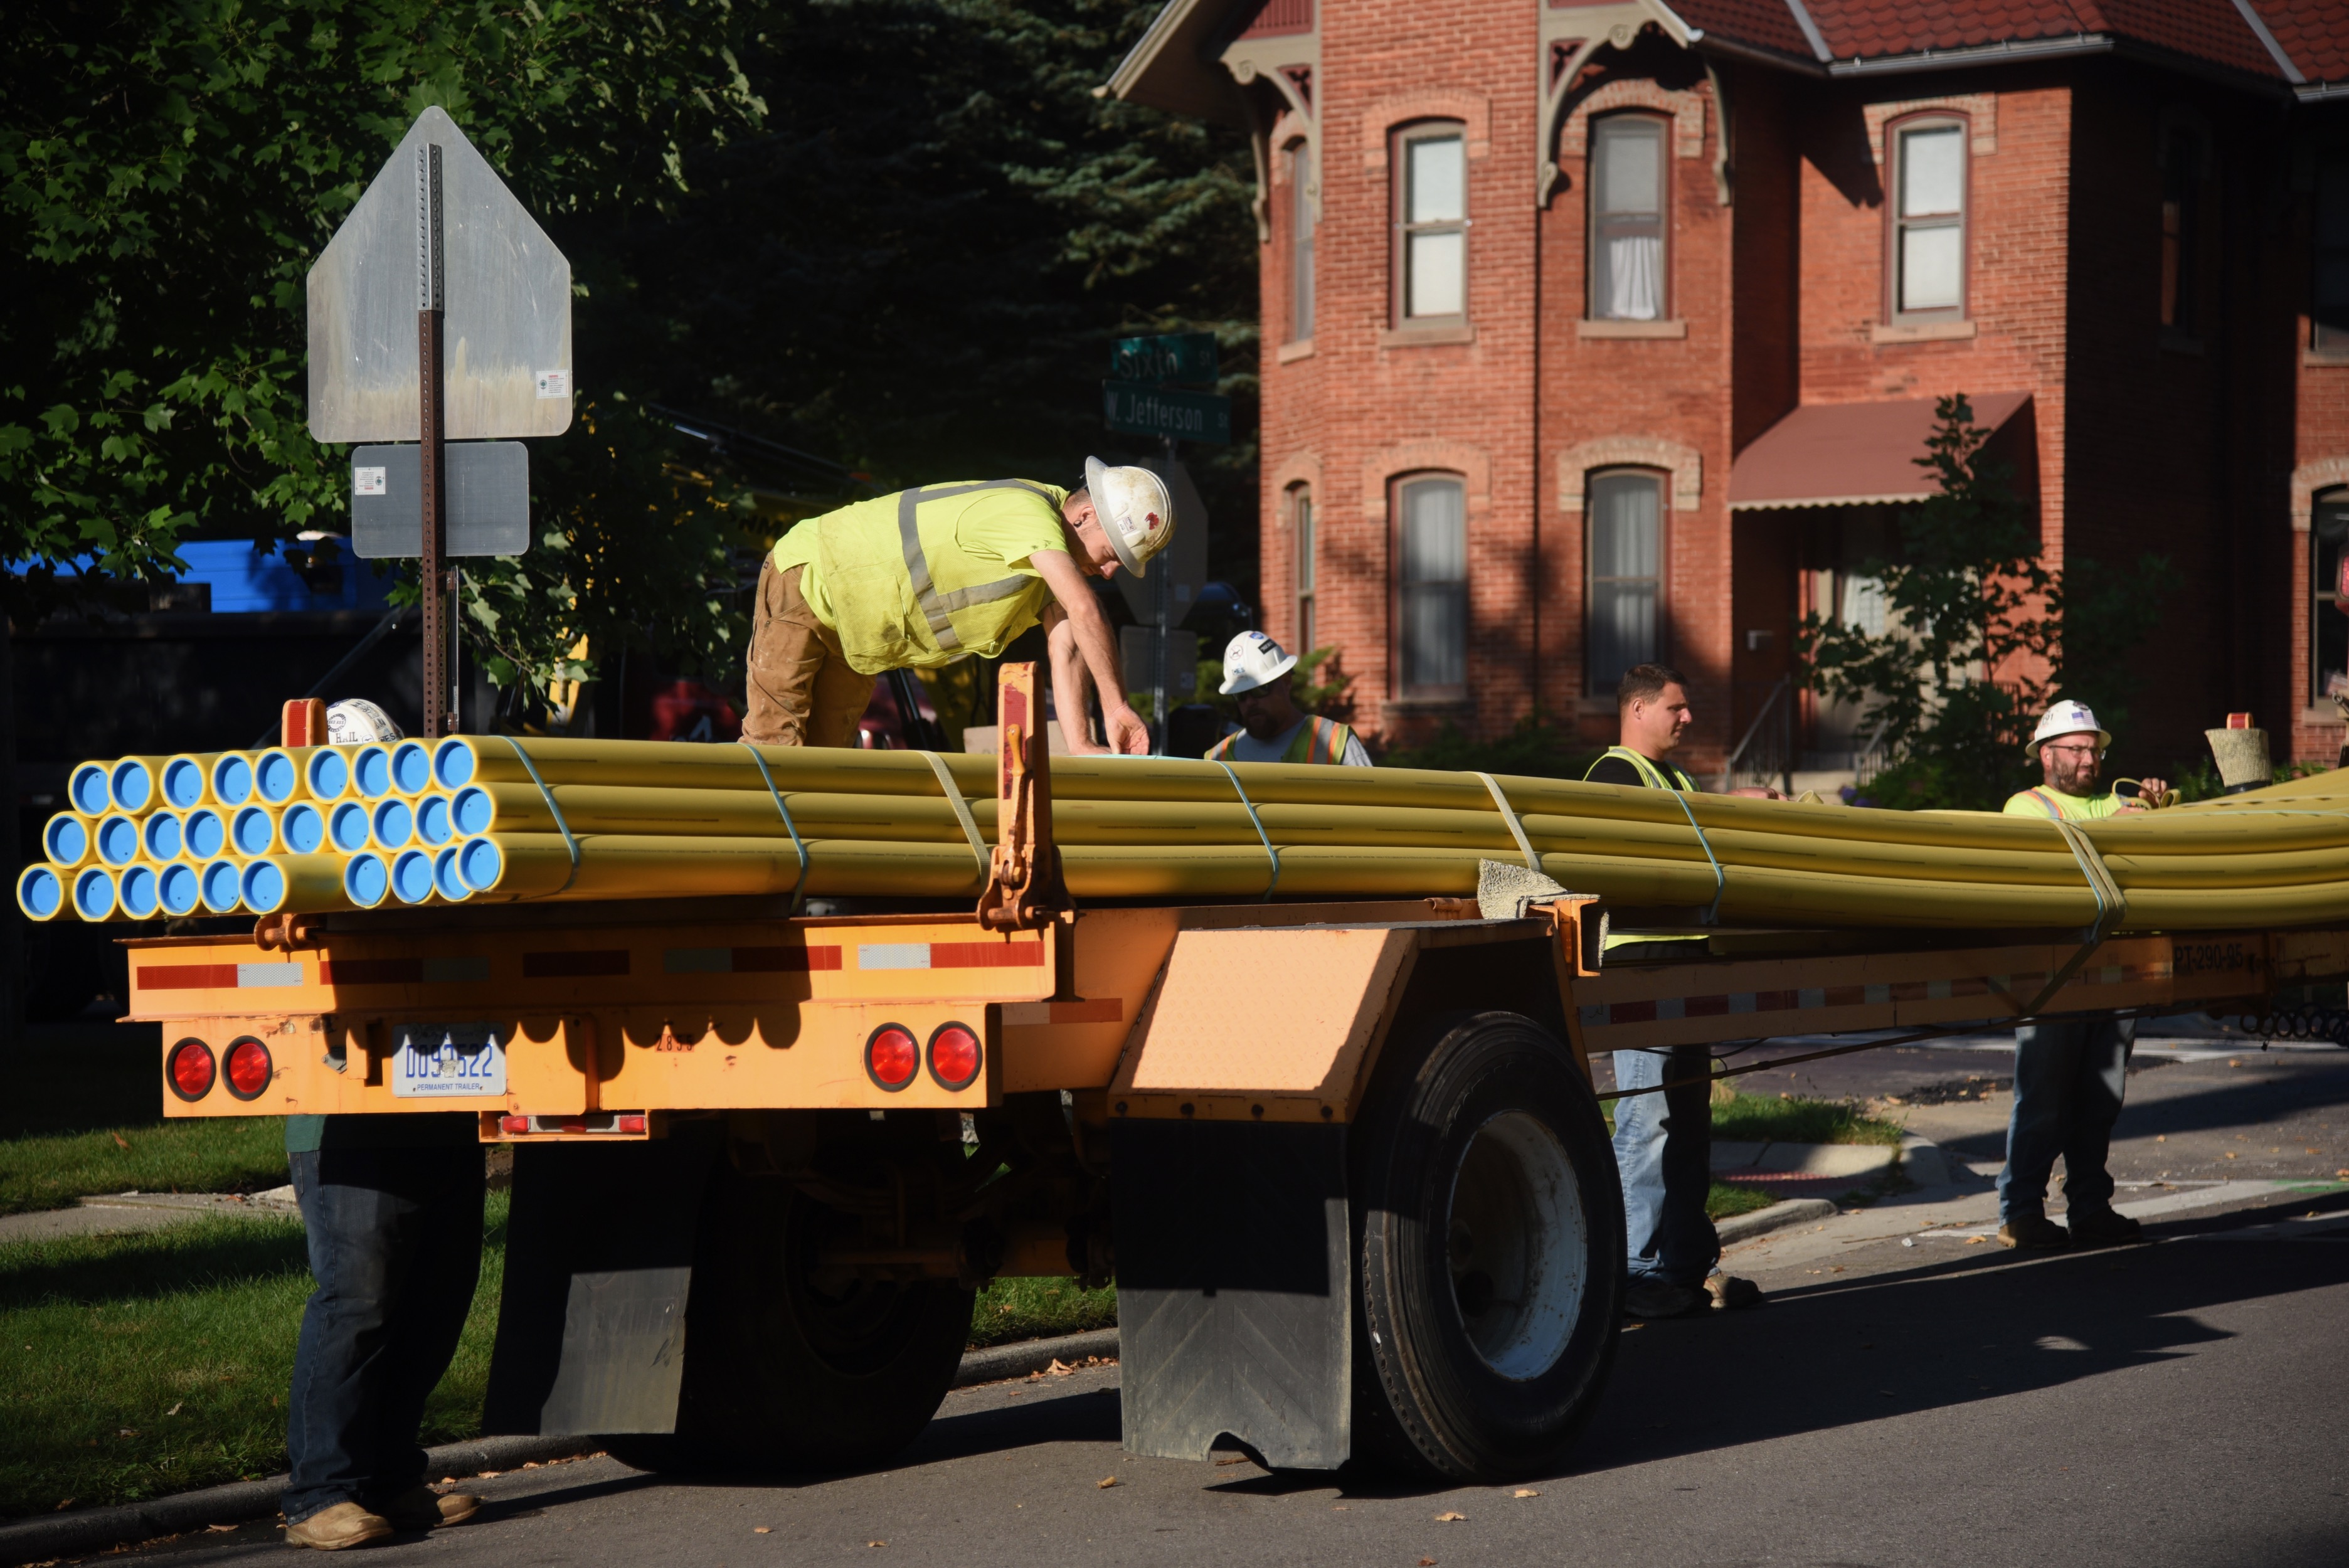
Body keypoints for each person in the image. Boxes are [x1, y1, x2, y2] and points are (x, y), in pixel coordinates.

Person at [280, 699, 486, 1550]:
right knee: (359, 1295)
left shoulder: (419, 847)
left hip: (437, 1091)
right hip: (343, 1108)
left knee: (436, 1293)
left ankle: (393, 1474)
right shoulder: (297, 857)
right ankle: (318, 1493)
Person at [743, 460, 1175, 756]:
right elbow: (1085, 610)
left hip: (857, 631)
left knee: (824, 763)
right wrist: (1116, 707)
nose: (1110, 571)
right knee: (775, 745)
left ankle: (805, 884)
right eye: (1112, 553)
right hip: (810, 576)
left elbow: (1071, 646)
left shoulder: (1050, 561)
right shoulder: (1026, 513)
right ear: (1084, 518)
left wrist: (1080, 744)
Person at [1581, 664, 1764, 1318]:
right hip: (1640, 974)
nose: (1687, 719)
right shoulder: (1611, 775)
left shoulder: (1677, 779)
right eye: (1676, 708)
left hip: (1682, 971)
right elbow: (1652, 847)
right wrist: (1721, 810)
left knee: (1688, 1122)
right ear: (1637, 710)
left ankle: (1686, 1266)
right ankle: (1634, 1275)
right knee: (1646, 1122)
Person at [1995, 699, 2163, 1250]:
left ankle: (2090, 1207)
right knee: (2043, 1098)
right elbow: (2053, 864)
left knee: (2100, 1099)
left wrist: (2158, 812)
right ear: (2047, 756)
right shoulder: (2025, 807)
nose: (2090, 758)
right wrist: (2122, 826)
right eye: (2078, 749)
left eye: (2095, 748)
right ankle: (2020, 1213)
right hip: (2052, 973)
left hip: (2117, 969)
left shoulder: (2117, 802)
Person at [1204, 631, 1369, 765]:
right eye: (1240, 695)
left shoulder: (1335, 743)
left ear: (1286, 682)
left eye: (1260, 690)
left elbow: (1370, 805)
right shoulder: (1219, 758)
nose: (1250, 702)